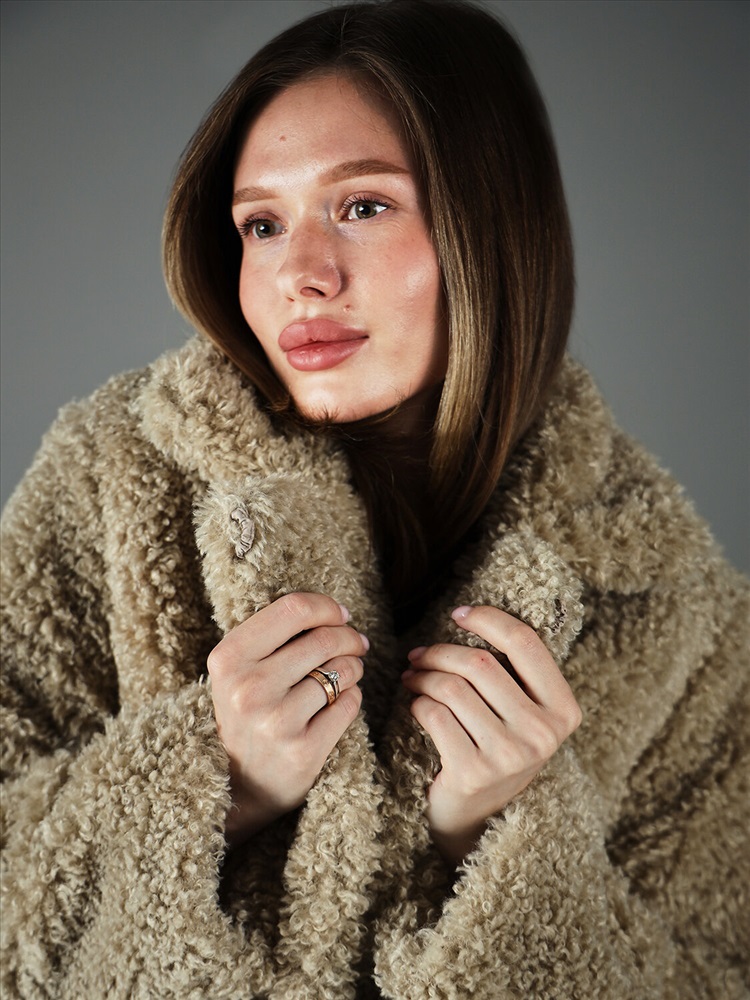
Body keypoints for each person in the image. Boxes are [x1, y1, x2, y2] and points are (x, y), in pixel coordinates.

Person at [1, 0, 747, 997]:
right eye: (262, 224)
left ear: (490, 226)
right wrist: (210, 777)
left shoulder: (665, 591)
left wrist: (510, 837)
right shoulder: (110, 478)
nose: (300, 276)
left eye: (363, 206)